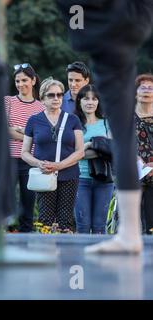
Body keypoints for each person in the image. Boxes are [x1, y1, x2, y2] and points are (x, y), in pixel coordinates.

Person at [56, 0, 153, 253]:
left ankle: (130, 234)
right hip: (127, 24)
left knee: (121, 133)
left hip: (112, 26)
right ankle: (130, 233)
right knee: (122, 134)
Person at [21, 78, 84, 231]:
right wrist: (38, 163)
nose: (56, 98)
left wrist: (60, 165)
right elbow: (24, 152)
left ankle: (65, 254)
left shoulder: (73, 120)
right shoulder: (34, 120)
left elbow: (80, 151)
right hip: (44, 175)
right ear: (42, 99)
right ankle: (45, 253)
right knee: (45, 220)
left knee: (66, 221)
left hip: (69, 175)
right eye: (51, 95)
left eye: (59, 95)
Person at [5, 63, 44, 232]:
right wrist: (29, 135)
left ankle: (26, 239)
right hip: (8, 160)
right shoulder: (8, 102)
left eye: (24, 80)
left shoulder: (41, 107)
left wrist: (18, 131)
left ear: (33, 80)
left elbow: (41, 137)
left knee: (28, 203)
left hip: (31, 160)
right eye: (17, 81)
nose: (21, 85)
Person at [74, 85, 114, 234]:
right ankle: (80, 257)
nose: (90, 102)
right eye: (86, 98)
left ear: (98, 102)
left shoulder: (106, 123)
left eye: (94, 98)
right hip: (79, 180)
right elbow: (70, 153)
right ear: (79, 101)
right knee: (83, 226)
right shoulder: (73, 123)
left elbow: (111, 151)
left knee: (99, 227)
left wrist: (85, 146)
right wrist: (96, 145)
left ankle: (99, 257)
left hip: (103, 180)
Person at [134, 73, 153, 235]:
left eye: (150, 88)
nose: (146, 90)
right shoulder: (126, 118)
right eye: (143, 87)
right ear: (136, 93)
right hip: (134, 174)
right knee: (134, 223)